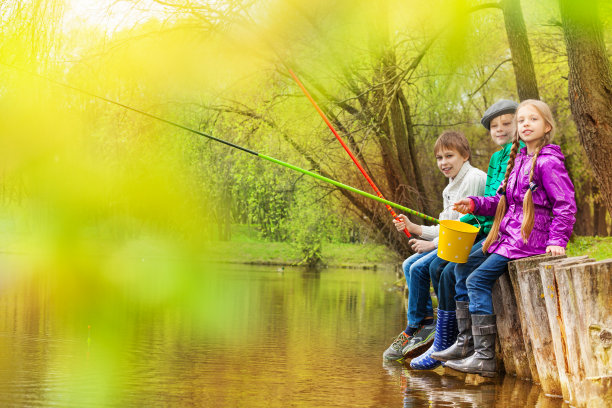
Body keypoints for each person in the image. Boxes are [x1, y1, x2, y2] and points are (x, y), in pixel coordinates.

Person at [443, 99, 576, 377]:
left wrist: (558, 240)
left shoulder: (548, 162)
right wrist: (475, 203)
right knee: (462, 263)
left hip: (529, 239)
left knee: (477, 280)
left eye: (533, 119)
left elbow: (565, 204)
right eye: (522, 120)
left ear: (547, 126)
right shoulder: (518, 161)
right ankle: (466, 341)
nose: (526, 124)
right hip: (507, 235)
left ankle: (484, 357)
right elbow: (502, 202)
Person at [411, 99, 520, 370]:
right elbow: (492, 203)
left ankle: (459, 342)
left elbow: (499, 206)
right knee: (439, 268)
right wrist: (471, 208)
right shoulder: (496, 158)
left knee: (446, 269)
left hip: (496, 235)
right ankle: (453, 339)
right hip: (491, 232)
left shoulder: (516, 159)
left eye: (507, 123)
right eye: (494, 125)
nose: (500, 129)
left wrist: (469, 214)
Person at [383, 130, 486, 362]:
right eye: (439, 158)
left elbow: (464, 225)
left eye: (449, 156)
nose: (443, 163)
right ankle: (423, 323)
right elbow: (445, 226)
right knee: (409, 263)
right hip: (454, 238)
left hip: (471, 241)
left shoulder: (474, 179)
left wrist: (431, 245)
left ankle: (431, 327)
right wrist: (416, 228)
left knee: (423, 268)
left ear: (465, 155)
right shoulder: (449, 188)